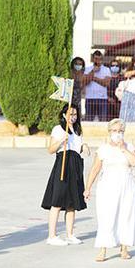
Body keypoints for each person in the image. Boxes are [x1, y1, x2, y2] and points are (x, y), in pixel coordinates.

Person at [84, 118, 135, 262]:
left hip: (127, 184)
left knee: (126, 215)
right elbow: (95, 169)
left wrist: (123, 148)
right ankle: (103, 249)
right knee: (107, 216)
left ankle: (124, 248)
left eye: (120, 131)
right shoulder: (103, 148)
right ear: (109, 132)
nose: (117, 133)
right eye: (114, 131)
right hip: (108, 185)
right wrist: (87, 188)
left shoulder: (129, 146)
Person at [43, 105, 89, 246]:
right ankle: (52, 235)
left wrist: (84, 146)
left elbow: (77, 147)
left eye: (75, 114)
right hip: (62, 164)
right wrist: (60, 141)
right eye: (70, 114)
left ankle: (70, 234)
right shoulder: (58, 129)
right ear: (64, 115)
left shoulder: (78, 131)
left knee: (72, 203)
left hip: (75, 166)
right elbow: (50, 150)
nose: (73, 117)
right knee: (57, 201)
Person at [84, 50, 112, 122]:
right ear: (93, 59)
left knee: (103, 120)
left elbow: (106, 83)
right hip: (90, 98)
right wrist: (93, 71)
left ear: (102, 60)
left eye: (99, 59)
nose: (97, 61)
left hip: (102, 99)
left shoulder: (106, 70)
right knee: (88, 120)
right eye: (96, 59)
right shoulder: (87, 69)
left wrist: (93, 78)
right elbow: (85, 82)